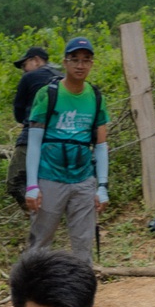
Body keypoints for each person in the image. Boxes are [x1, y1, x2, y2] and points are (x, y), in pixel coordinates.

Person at [22, 36, 111, 263]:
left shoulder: (96, 97)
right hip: (50, 177)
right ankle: (31, 294)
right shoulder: (47, 94)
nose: (80, 65)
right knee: (40, 242)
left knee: (83, 245)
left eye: (86, 60)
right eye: (75, 59)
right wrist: (32, 185)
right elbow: (33, 143)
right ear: (65, 62)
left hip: (83, 180)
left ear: (92, 63)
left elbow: (100, 145)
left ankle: (82, 296)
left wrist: (102, 186)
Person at [7, 46, 59, 207]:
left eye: (25, 65)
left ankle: (35, 214)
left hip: (30, 137)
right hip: (59, 139)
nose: (24, 70)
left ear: (36, 60)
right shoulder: (63, 77)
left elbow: (19, 112)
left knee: (14, 181)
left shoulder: (29, 78)